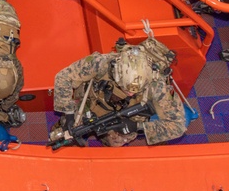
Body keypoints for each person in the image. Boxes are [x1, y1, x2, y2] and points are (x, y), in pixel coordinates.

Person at [51, 41, 187, 146]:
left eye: (134, 91)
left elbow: (178, 125)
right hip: (91, 103)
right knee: (65, 131)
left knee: (116, 142)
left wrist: (137, 126)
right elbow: (64, 77)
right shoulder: (102, 63)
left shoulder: (157, 85)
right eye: (125, 88)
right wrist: (68, 114)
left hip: (126, 119)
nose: (128, 93)